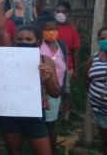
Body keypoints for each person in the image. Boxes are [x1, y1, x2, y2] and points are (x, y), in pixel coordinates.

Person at [0, 0, 60, 155]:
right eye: (20, 39)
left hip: (34, 113)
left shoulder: (46, 60)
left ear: (38, 42)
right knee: (14, 152)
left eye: (28, 40)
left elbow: (55, 93)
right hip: (10, 111)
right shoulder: (9, 55)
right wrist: (0, 4)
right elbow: (1, 30)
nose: (23, 42)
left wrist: (49, 78)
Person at [37, 12, 68, 153]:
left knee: (51, 126)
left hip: (55, 92)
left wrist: (65, 92)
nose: (51, 32)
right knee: (39, 126)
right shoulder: (37, 45)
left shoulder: (61, 45)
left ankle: (51, 150)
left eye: (54, 29)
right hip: (39, 93)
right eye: (47, 29)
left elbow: (66, 70)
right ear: (40, 30)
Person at [85, 27, 107, 155]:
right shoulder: (93, 59)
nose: (106, 40)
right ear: (99, 41)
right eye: (103, 38)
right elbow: (86, 79)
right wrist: (95, 95)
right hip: (100, 110)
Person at [54, 1, 81, 120]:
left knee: (66, 92)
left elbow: (75, 50)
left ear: (68, 14)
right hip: (51, 67)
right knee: (53, 91)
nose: (60, 14)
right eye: (58, 11)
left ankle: (65, 116)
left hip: (68, 67)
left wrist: (75, 69)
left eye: (63, 12)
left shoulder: (72, 30)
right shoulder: (50, 28)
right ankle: (54, 115)